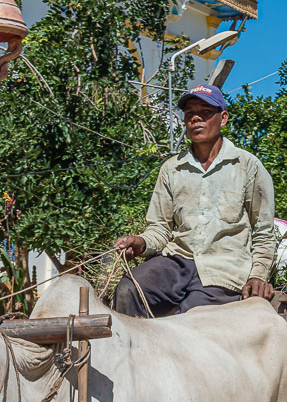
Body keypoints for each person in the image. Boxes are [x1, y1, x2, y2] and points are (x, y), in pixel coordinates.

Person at [112, 83, 277, 316]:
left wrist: (258, 275)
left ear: (223, 118)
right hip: (177, 261)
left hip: (224, 269)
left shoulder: (247, 166)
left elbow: (263, 230)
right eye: (190, 114)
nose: (196, 119)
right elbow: (159, 229)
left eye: (205, 113)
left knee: (194, 317)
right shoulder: (172, 169)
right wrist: (140, 243)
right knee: (128, 289)